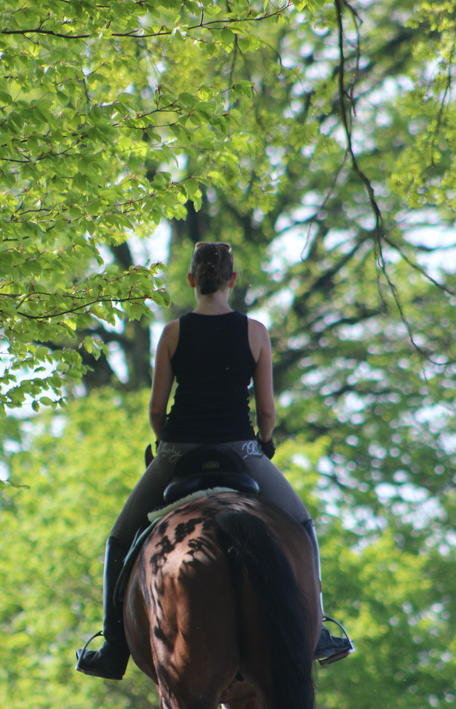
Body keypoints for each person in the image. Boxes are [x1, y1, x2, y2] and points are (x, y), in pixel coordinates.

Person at [76, 240, 354, 681]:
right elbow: (266, 412)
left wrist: (166, 443)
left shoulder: (172, 332)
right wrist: (264, 442)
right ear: (232, 280)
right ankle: (318, 630)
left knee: (120, 536)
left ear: (192, 281)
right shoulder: (255, 331)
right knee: (302, 525)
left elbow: (155, 410)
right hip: (241, 453)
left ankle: (112, 645)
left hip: (178, 450)